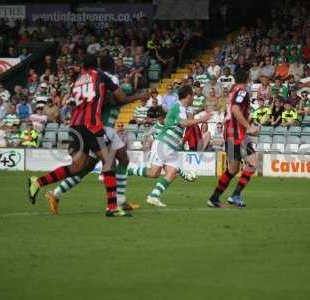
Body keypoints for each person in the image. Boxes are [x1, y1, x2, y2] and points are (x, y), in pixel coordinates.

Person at [27, 54, 132, 217]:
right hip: (92, 126)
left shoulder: (77, 81)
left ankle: (38, 182)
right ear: (96, 64)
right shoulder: (100, 75)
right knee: (109, 161)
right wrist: (138, 96)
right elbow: (120, 97)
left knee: (77, 166)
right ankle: (112, 207)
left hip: (75, 126)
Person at [126, 85, 210, 207]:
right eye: (192, 95)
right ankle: (130, 169)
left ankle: (153, 196)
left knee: (172, 172)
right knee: (153, 173)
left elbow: (185, 120)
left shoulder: (183, 108)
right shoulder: (178, 107)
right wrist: (202, 119)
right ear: (188, 96)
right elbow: (183, 123)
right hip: (164, 143)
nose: (193, 97)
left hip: (172, 146)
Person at [207, 70, 259, 208]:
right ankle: (235, 195)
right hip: (237, 133)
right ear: (248, 78)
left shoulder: (232, 91)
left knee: (233, 168)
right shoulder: (242, 91)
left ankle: (214, 198)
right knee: (253, 163)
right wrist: (249, 127)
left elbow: (232, 109)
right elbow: (235, 109)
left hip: (228, 132)